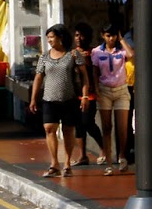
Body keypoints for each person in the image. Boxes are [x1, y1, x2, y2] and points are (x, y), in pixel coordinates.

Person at [28, 23, 89, 178]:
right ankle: (54, 163)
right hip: (49, 98)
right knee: (49, 128)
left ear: (60, 37)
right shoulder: (44, 57)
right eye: (48, 37)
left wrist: (85, 96)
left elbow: (84, 77)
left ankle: (67, 163)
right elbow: (38, 77)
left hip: (69, 99)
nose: (49, 40)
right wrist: (33, 98)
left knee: (68, 130)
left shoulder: (74, 55)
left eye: (51, 37)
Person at [92, 23, 135, 174]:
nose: (111, 38)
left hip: (121, 90)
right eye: (108, 35)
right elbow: (95, 71)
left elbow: (131, 54)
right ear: (103, 35)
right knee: (106, 127)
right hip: (104, 90)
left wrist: (122, 39)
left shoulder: (121, 50)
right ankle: (109, 162)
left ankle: (122, 156)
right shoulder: (96, 52)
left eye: (113, 35)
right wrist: (96, 89)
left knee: (122, 126)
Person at [71, 22, 104, 166]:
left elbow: (97, 71)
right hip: (75, 94)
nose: (79, 38)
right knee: (78, 125)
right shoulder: (72, 53)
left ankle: (104, 149)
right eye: (77, 35)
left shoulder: (94, 53)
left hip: (89, 94)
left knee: (88, 123)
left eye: (81, 35)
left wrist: (86, 59)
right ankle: (82, 155)